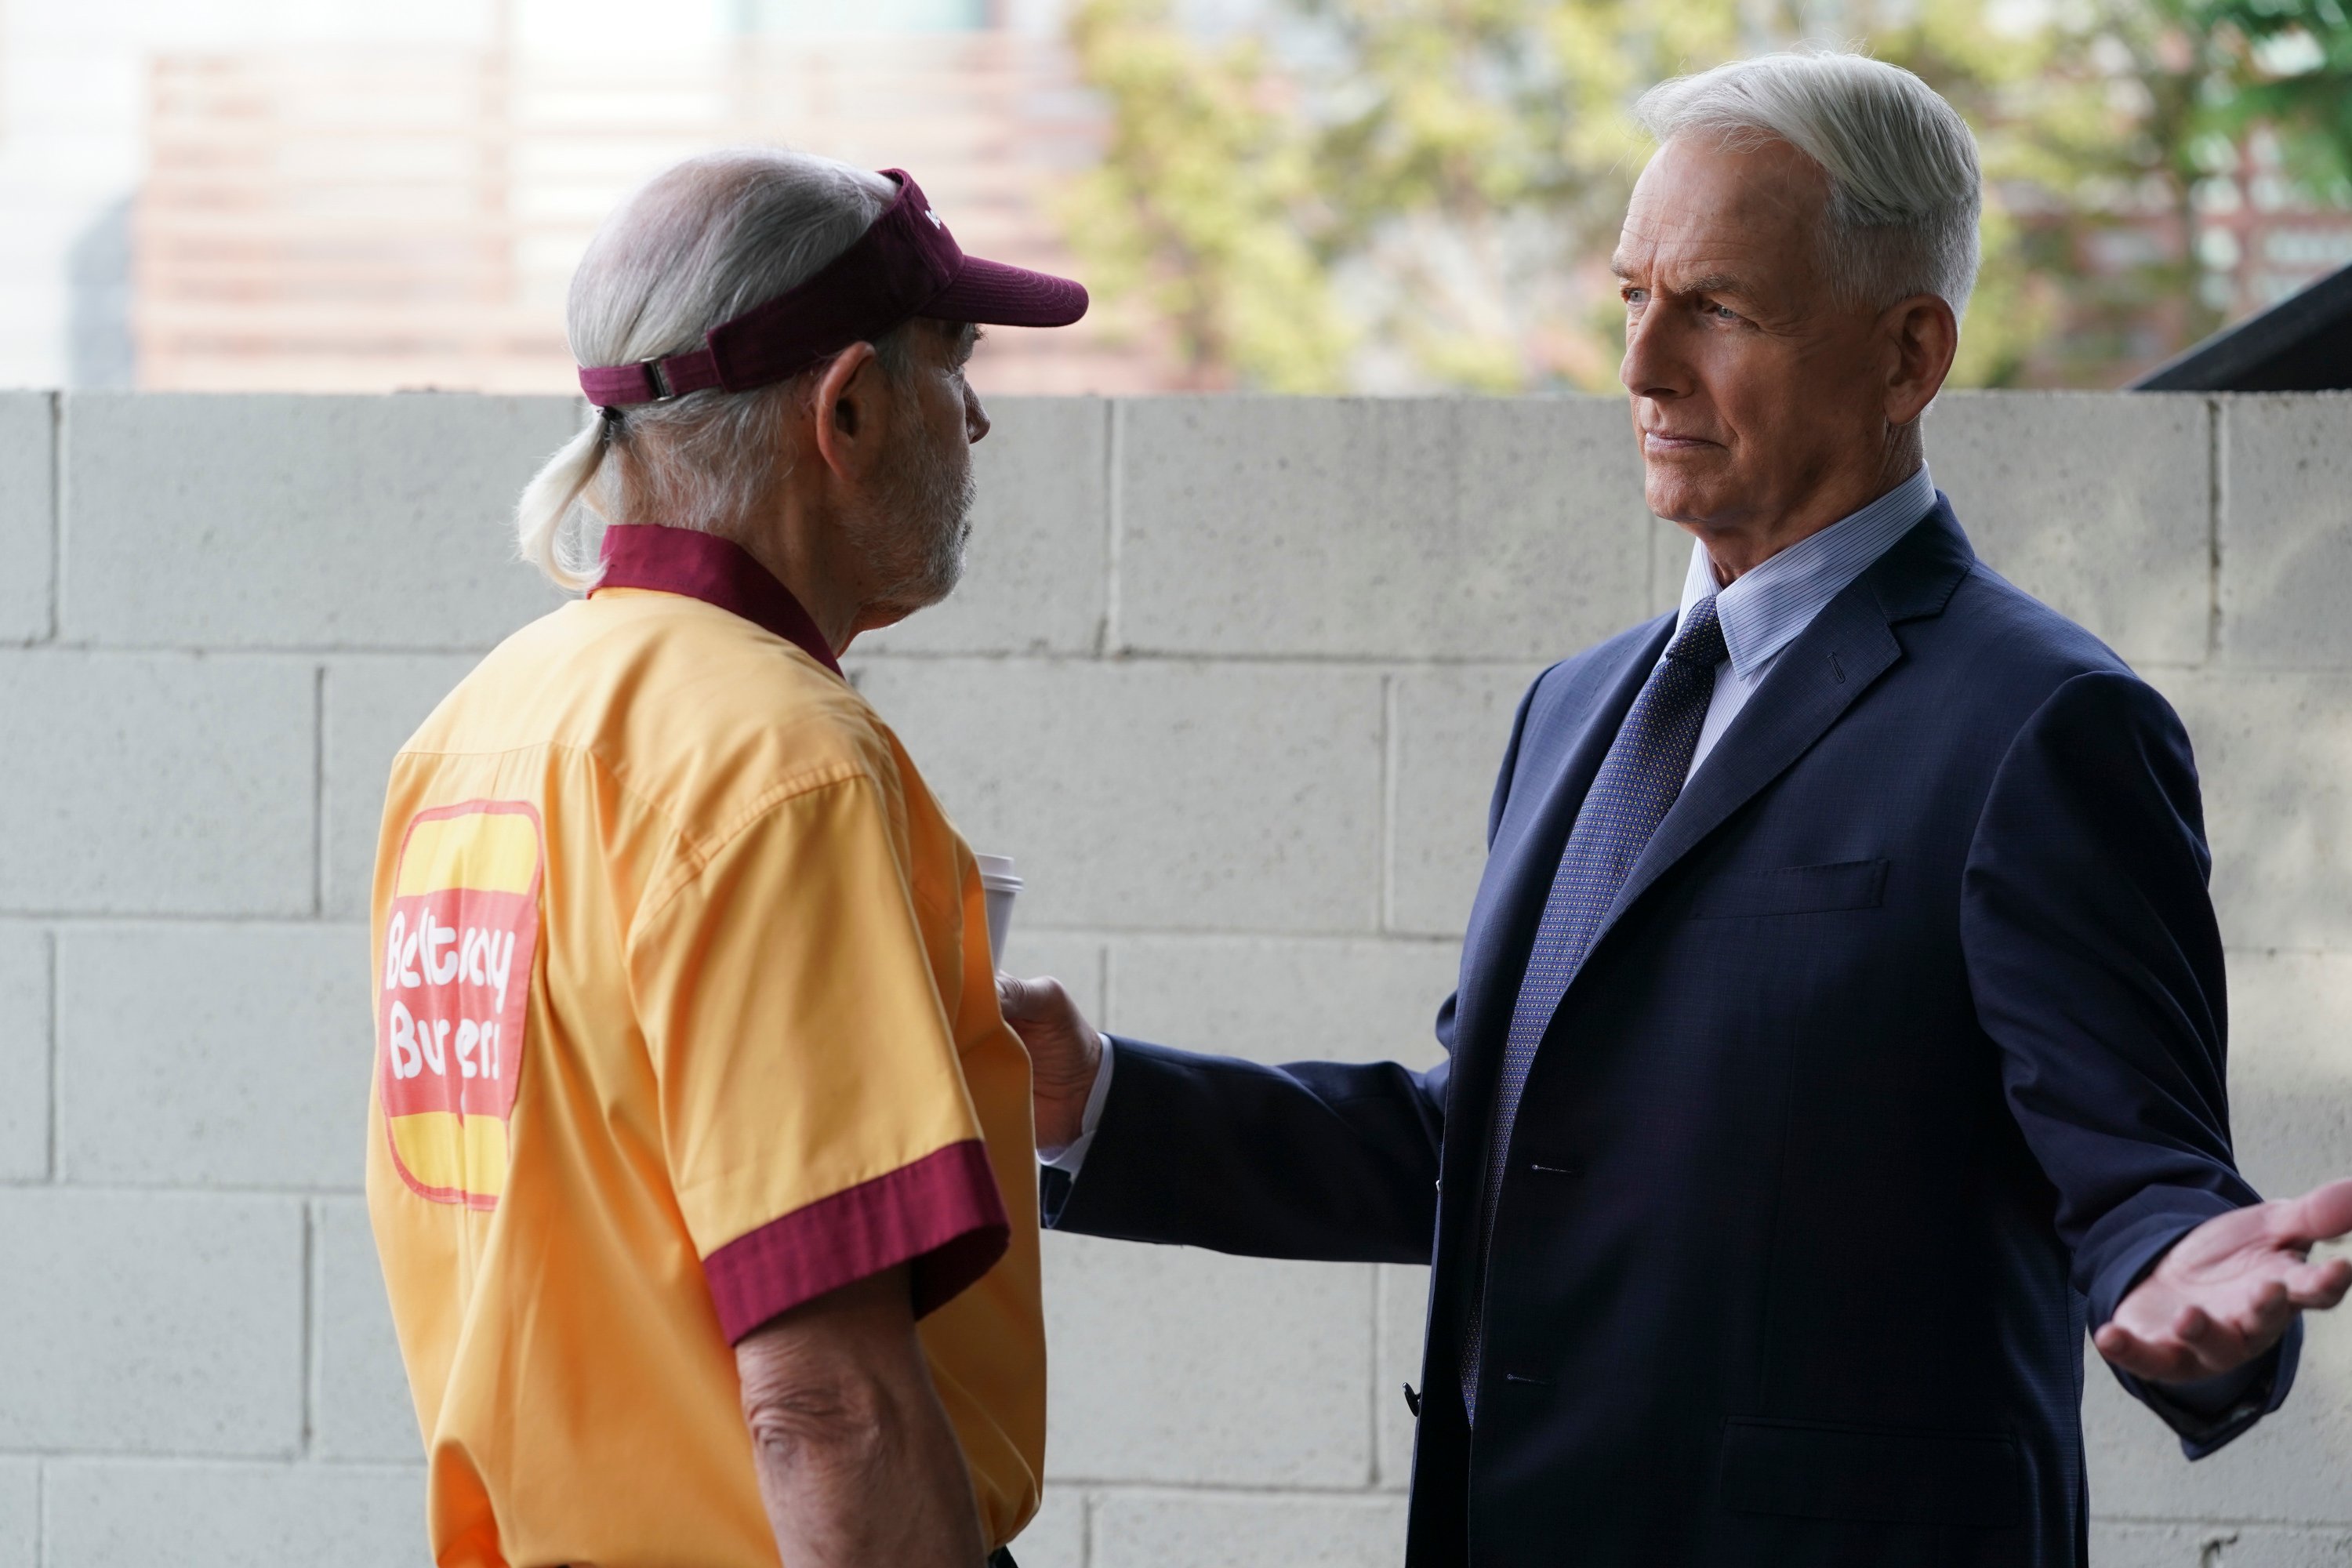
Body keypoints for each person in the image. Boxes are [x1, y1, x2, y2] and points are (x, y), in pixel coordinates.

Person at [998, 51, 2352, 1568]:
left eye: (1715, 308)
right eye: (1632, 297)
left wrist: (2191, 1289)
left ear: (1909, 357)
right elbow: (1496, 1146)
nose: (1642, 369)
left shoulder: (2043, 726)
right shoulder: (1577, 706)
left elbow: (2146, 1180)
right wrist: (1102, 1099)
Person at [366, 148, 1086, 1568]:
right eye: (955, 364)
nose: (982, 420)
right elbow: (826, 1407)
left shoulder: (469, 741)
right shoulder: (781, 762)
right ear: (854, 407)